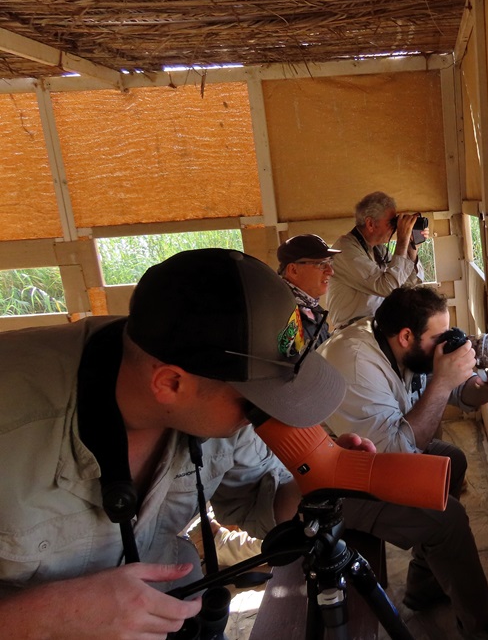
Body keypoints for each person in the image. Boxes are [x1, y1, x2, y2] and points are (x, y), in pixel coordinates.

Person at [0, 248, 372, 639]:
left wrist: (317, 482)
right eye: (255, 401)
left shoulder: (213, 394)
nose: (265, 417)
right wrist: (49, 614)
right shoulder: (15, 427)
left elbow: (255, 503)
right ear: (171, 384)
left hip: (177, 615)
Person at [319, 285, 488, 640]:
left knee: (452, 460)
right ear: (407, 335)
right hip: (331, 483)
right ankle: (486, 628)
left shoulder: (402, 344)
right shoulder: (355, 362)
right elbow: (395, 457)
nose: (446, 345)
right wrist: (442, 381)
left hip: (371, 455)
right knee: (448, 519)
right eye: (438, 338)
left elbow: (461, 392)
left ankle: (423, 585)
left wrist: (487, 387)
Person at [324, 191, 427, 330]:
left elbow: (407, 283)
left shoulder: (377, 249)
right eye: (391, 222)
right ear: (370, 223)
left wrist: (411, 247)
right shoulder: (346, 249)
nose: (395, 227)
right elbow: (388, 288)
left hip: (374, 328)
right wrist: (402, 240)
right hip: (353, 334)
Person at [277, 233, 341, 349]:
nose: (330, 271)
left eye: (329, 262)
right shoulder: (281, 314)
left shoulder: (312, 309)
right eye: (321, 264)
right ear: (293, 270)